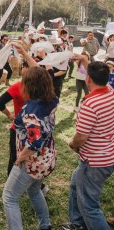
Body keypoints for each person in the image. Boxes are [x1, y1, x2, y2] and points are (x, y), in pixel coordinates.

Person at [3, 66, 58, 230]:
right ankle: (45, 225)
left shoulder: (30, 111)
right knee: (34, 191)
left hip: (32, 162)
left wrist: (20, 158)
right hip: (47, 157)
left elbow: (35, 142)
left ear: (29, 85)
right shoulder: (52, 99)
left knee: (9, 197)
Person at [62, 62, 114, 230]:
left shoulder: (90, 104)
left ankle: (84, 223)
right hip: (107, 156)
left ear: (88, 78)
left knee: (90, 207)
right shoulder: (110, 92)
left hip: (94, 162)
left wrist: (72, 143)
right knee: (75, 185)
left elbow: (81, 137)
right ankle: (77, 224)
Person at [0, 61, 29, 175]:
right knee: (32, 157)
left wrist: (9, 115)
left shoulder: (18, 86)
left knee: (14, 157)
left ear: (23, 69)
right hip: (35, 129)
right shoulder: (42, 89)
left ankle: (11, 185)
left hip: (19, 128)